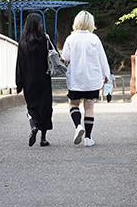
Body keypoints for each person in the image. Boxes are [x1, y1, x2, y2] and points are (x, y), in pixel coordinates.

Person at [61, 10, 111, 146]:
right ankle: (88, 138)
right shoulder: (94, 39)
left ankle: (78, 126)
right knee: (89, 107)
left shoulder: (70, 39)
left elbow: (65, 57)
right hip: (92, 79)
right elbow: (102, 59)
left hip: (76, 78)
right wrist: (106, 75)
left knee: (73, 104)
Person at [15, 10, 53, 147]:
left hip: (28, 81)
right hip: (43, 79)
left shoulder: (23, 42)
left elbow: (19, 64)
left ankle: (33, 125)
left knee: (32, 108)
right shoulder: (44, 39)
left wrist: (19, 83)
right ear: (38, 24)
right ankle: (43, 138)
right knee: (45, 108)